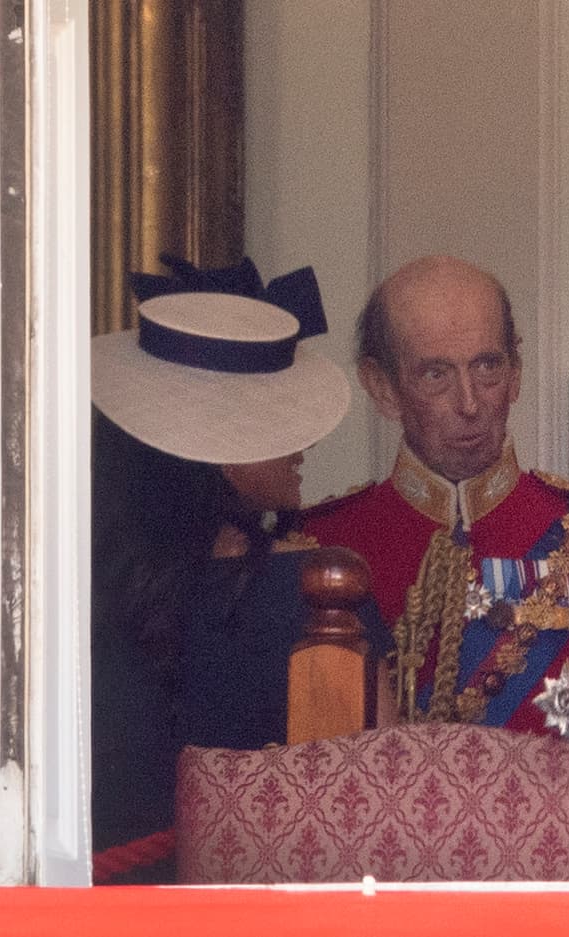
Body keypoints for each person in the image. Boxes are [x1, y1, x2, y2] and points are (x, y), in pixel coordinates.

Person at [90, 257, 383, 883]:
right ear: (222, 450)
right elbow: (376, 811)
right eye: (280, 422)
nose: (302, 445)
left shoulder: (86, 592)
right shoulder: (313, 590)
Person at [302, 255, 569, 741]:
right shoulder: (318, 546)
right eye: (435, 375)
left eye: (487, 367)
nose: (470, 403)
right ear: (382, 388)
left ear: (516, 371)